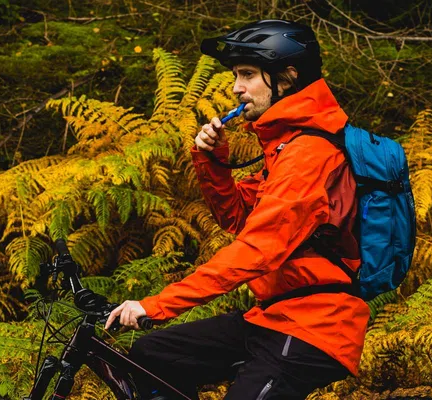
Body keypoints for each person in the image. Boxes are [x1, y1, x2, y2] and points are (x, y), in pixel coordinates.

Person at [105, 19, 369, 400]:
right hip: (274, 317)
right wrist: (212, 161)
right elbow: (239, 219)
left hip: (315, 326)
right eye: (235, 75)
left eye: (247, 74)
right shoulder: (285, 145)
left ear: (288, 77)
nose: (236, 88)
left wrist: (157, 305)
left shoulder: (309, 154)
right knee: (152, 354)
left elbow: (256, 249)